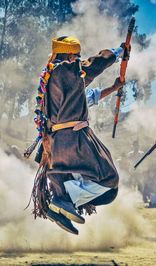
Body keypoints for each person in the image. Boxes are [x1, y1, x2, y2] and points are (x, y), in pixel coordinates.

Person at [29, 36, 129, 235]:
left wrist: (113, 88)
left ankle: (62, 207)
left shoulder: (52, 76)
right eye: (76, 56)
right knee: (110, 180)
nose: (78, 59)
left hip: (57, 143)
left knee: (94, 184)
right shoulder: (65, 70)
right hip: (73, 141)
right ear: (68, 55)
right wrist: (119, 52)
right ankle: (65, 201)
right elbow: (94, 65)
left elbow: (87, 95)